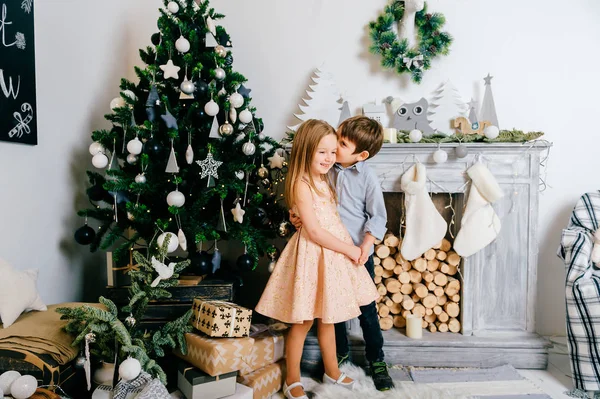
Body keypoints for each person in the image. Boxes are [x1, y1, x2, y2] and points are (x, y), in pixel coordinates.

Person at [255, 119, 379, 399]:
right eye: (322, 152)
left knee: (328, 319)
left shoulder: (325, 177)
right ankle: (292, 378)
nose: (329, 158)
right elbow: (313, 230)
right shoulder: (301, 183)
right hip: (313, 256)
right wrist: (349, 250)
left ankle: (332, 371)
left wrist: (352, 246)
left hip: (331, 260)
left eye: (333, 152)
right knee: (303, 322)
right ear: (305, 150)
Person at [290, 116, 394, 391]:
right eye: (337, 136)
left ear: (360, 155)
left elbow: (377, 217)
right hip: (329, 252)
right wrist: (296, 214)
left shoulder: (367, 177)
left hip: (357, 252)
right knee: (331, 307)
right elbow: (310, 202)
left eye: (342, 143)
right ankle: (339, 355)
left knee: (366, 309)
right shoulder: (326, 166)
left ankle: (377, 360)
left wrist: (364, 248)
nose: (334, 144)